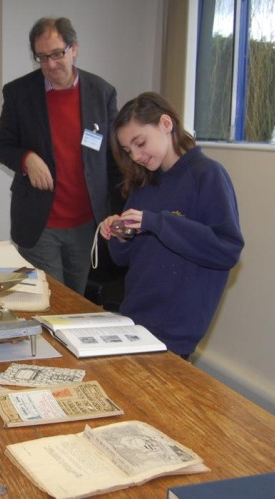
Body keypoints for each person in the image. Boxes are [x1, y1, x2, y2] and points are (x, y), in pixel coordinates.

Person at [99, 92, 244, 358]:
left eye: (140, 143)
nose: (136, 156)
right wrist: (121, 235)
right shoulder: (144, 182)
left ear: (166, 124)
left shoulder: (207, 174)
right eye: (129, 151)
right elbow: (124, 259)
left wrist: (156, 222)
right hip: (135, 315)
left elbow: (227, 250)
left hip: (175, 329)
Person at [0, 17, 120, 295]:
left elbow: (113, 161)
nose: (50, 64)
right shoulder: (19, 93)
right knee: (46, 300)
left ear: (73, 48)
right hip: (40, 223)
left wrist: (116, 214)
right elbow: (2, 146)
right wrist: (27, 159)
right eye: (42, 57)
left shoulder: (102, 93)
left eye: (57, 54)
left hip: (86, 224)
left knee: (74, 303)